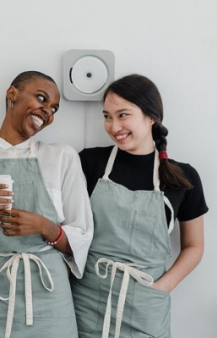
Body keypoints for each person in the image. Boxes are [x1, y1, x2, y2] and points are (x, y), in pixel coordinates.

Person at [0, 71, 94, 338]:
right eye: (41, 99)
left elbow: (82, 234)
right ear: (12, 95)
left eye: (53, 109)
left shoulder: (62, 156)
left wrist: (44, 226)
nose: (47, 113)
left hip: (48, 297)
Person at [71, 74, 208, 338]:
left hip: (146, 305)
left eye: (123, 115)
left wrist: (162, 287)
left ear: (151, 116)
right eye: (107, 116)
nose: (113, 126)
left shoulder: (184, 177)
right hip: (87, 299)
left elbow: (195, 246)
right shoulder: (89, 163)